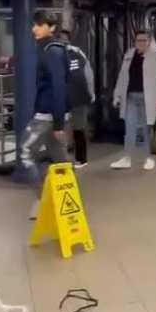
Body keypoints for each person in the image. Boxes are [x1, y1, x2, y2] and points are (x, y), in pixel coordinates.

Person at [20, 11, 70, 187]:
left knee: (26, 152)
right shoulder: (49, 49)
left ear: (52, 28)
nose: (34, 29)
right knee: (59, 158)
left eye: (39, 25)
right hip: (51, 114)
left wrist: (58, 123)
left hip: (47, 114)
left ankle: (44, 199)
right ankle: (65, 202)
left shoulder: (52, 52)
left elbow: (59, 87)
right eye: (34, 25)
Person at [111, 30, 156, 171]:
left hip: (148, 98)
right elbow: (122, 77)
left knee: (145, 129)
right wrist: (117, 95)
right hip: (131, 96)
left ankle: (148, 158)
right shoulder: (129, 55)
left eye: (144, 40)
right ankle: (126, 158)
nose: (141, 43)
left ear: (149, 41)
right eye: (138, 40)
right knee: (129, 128)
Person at [60, 29, 95, 168]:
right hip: (64, 98)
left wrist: (91, 93)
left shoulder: (76, 53)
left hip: (78, 97)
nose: (62, 41)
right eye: (59, 38)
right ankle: (67, 158)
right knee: (65, 129)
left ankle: (81, 159)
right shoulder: (56, 53)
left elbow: (88, 74)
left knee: (78, 128)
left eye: (63, 38)